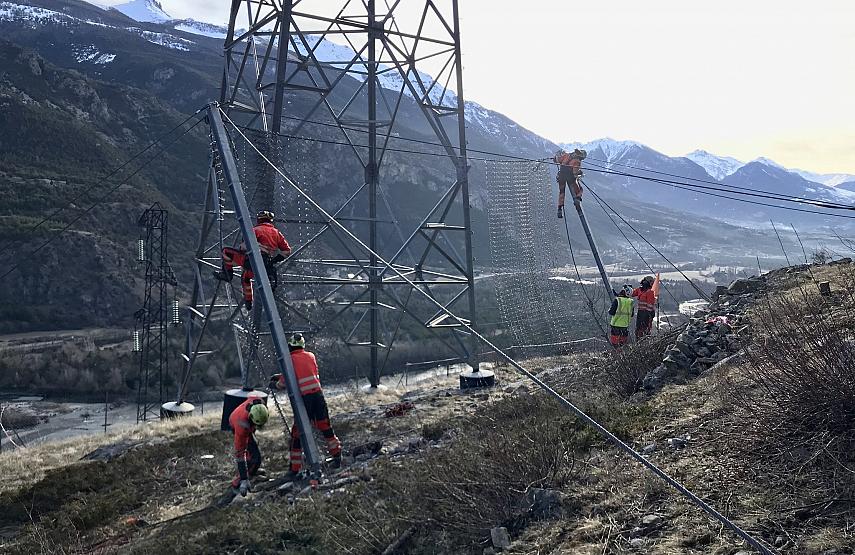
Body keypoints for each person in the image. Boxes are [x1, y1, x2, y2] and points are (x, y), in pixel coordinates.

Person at [269, 333, 342, 476]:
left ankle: (294, 469)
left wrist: (274, 384)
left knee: (297, 434)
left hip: (306, 400)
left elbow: (283, 383)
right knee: (326, 427)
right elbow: (304, 372)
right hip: (318, 396)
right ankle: (337, 456)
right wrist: (281, 374)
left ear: (290, 346)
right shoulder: (311, 356)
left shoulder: (289, 360)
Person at [213, 210, 292, 310]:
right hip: (267, 264)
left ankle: (230, 278)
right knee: (246, 275)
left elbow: (243, 247)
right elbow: (287, 251)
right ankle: (249, 303)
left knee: (225, 252)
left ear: (259, 220)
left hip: (251, 261)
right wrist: (274, 261)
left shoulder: (255, 230)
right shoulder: (277, 233)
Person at [228, 396, 269, 498]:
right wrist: (244, 479)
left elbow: (251, 396)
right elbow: (240, 454)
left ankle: (252, 472)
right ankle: (238, 483)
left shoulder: (259, 403)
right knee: (255, 457)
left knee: (255, 455)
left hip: (243, 419)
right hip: (234, 422)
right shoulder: (242, 427)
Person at [552, 148, 586, 219]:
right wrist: (580, 173)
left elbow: (557, 160)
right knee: (580, 189)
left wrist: (555, 158)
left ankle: (559, 209)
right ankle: (577, 199)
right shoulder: (577, 161)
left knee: (561, 192)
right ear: (581, 156)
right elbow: (574, 173)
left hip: (561, 177)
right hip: (570, 179)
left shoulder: (567, 155)